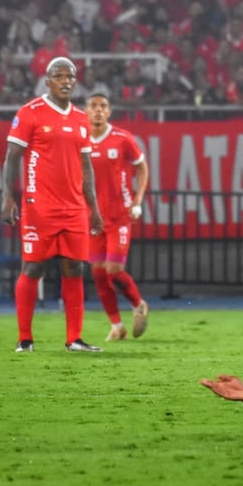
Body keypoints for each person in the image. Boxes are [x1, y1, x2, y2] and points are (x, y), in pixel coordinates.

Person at [0, 57, 104, 353]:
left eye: (70, 76)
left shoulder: (81, 118)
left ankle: (74, 339)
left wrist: (93, 208)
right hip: (39, 206)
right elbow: (12, 156)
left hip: (74, 208)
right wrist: (8, 196)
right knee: (33, 268)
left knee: (74, 268)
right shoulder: (30, 113)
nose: (66, 81)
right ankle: (24, 339)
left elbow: (86, 167)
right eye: (59, 76)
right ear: (48, 81)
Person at [85, 93, 150, 341]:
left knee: (113, 269)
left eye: (103, 106)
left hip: (120, 215)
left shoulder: (123, 138)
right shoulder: (80, 140)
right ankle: (117, 326)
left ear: (109, 111)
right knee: (99, 274)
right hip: (94, 218)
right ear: (86, 111)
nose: (98, 110)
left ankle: (138, 305)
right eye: (93, 106)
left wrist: (137, 201)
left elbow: (142, 167)